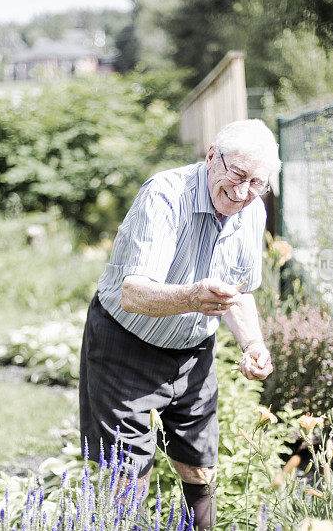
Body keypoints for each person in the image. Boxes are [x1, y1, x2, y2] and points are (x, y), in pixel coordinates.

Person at [79, 119, 279, 530]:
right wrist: (192, 297)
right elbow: (132, 292)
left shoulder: (252, 210)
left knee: (199, 466)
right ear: (211, 157)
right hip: (126, 345)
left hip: (193, 351)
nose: (242, 193)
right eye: (237, 175)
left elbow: (239, 292)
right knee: (126, 475)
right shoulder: (165, 195)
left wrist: (252, 344)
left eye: (256, 183)